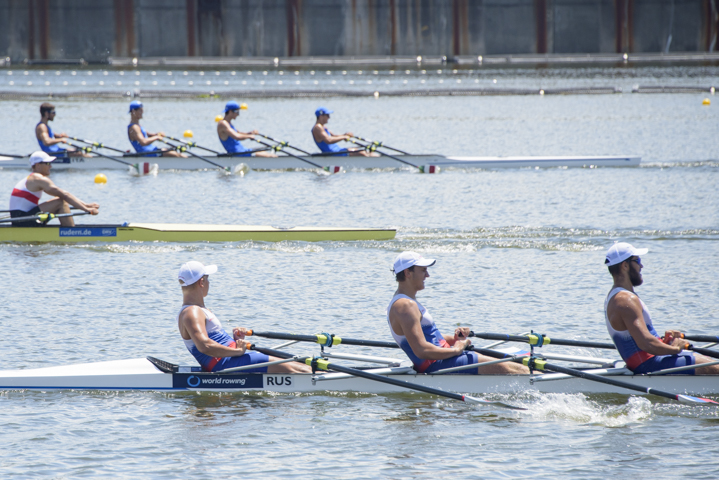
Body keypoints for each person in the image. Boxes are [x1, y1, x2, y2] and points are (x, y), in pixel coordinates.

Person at [387, 251, 528, 375]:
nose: (428, 275)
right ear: (407, 273)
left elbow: (428, 337)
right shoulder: (405, 306)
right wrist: (457, 349)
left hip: (444, 360)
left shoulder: (406, 302)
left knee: (515, 365)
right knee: (515, 369)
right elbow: (421, 350)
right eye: (423, 270)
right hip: (439, 365)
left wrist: (455, 339)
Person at [604, 242, 719, 375]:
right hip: (650, 364)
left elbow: (642, 340)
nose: (641, 265)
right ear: (625, 265)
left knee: (709, 361)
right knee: (715, 367)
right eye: (638, 261)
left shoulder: (616, 295)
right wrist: (675, 349)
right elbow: (646, 343)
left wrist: (664, 343)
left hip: (651, 359)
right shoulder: (625, 300)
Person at [177, 261, 310, 373]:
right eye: (208, 279)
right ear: (201, 282)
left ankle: (323, 375)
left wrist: (235, 342)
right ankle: (325, 380)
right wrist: (237, 351)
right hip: (225, 363)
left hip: (230, 358)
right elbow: (205, 346)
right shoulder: (192, 312)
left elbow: (213, 340)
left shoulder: (199, 309)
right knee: (291, 367)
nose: (209, 283)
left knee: (293, 363)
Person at [8, 151, 100, 227]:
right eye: (47, 163)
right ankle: (71, 233)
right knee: (60, 202)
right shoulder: (37, 178)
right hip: (22, 221)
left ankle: (69, 232)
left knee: (61, 201)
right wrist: (87, 210)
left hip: (21, 218)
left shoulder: (32, 178)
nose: (50, 166)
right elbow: (64, 195)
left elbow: (64, 194)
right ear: (37, 165)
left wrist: (86, 205)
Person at [311, 107, 377, 157]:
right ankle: (379, 162)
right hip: (333, 153)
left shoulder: (323, 127)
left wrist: (345, 135)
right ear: (321, 116)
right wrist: (344, 137)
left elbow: (334, 136)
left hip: (338, 151)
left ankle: (378, 158)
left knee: (362, 150)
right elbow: (328, 140)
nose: (329, 117)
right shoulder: (317, 128)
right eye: (327, 115)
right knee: (361, 152)